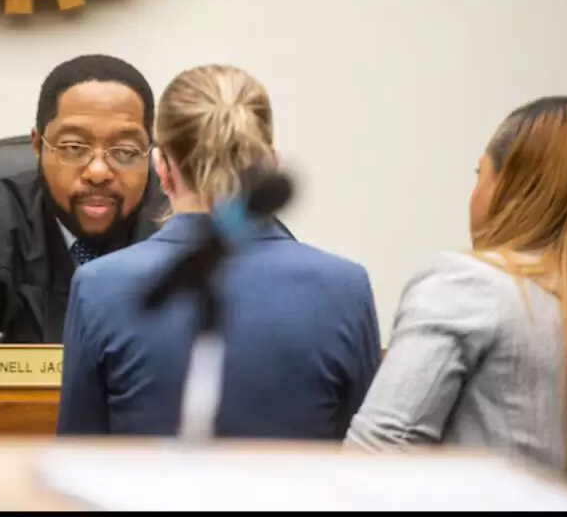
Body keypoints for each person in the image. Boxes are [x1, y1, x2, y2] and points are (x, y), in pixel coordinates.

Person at [56, 64, 380, 437]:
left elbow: (77, 449)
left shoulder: (98, 285)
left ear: (161, 167)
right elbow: (368, 452)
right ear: (271, 164)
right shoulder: (347, 287)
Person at [345, 97, 567, 498]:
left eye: (480, 174)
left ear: (512, 185)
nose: (472, 194)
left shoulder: (470, 284)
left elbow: (378, 455)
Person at [0, 55, 168, 343]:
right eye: (74, 147)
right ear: (37, 145)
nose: (98, 172)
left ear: (150, 152)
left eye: (125, 151)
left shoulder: (180, 231)